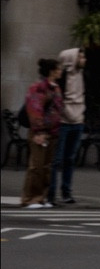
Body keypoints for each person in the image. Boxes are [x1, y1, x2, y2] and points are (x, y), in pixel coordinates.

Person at [20, 60, 64, 209]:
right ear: (52, 71)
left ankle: (41, 198)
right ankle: (29, 198)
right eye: (59, 69)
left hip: (52, 132)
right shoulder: (38, 87)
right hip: (40, 132)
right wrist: (39, 131)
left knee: (46, 167)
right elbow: (34, 110)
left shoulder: (56, 88)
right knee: (36, 167)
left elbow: (58, 109)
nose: (61, 71)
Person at [51, 44, 87, 206]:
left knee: (70, 159)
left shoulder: (82, 75)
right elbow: (57, 100)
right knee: (57, 159)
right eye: (80, 57)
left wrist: (81, 115)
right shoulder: (62, 77)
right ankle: (51, 193)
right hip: (63, 122)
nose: (83, 60)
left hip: (78, 121)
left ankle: (66, 192)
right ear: (72, 59)